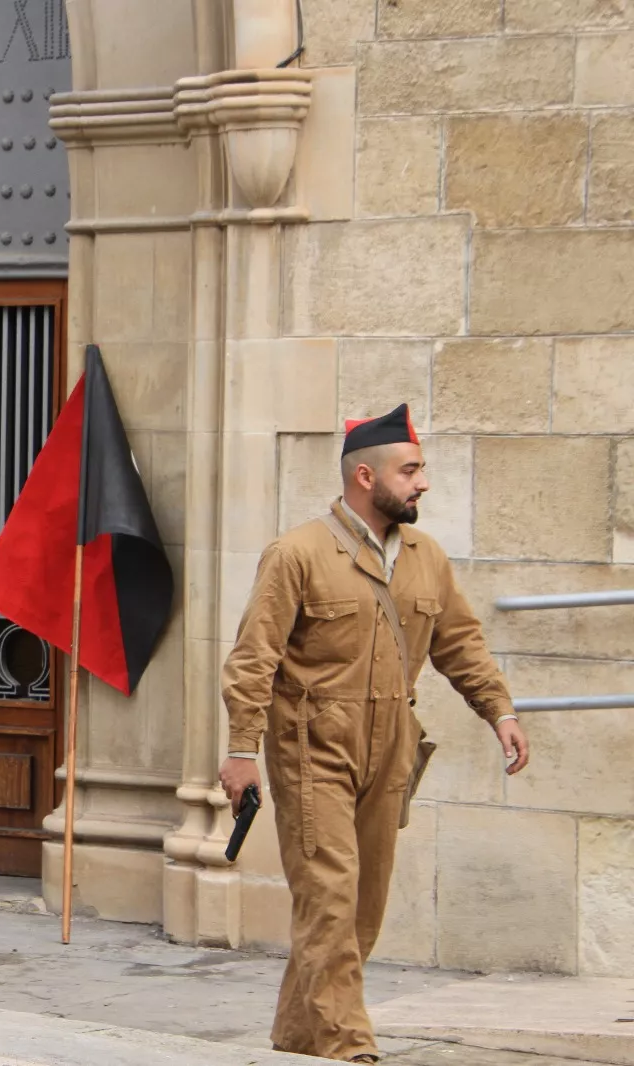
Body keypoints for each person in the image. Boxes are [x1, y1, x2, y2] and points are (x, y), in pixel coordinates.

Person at [219, 404, 531, 1063]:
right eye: (411, 470)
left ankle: (301, 1035)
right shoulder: (298, 554)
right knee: (329, 900)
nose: (423, 484)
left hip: (391, 751)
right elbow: (254, 660)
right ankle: (348, 1047)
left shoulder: (426, 558)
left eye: (422, 471)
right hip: (313, 750)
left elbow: (461, 646)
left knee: (360, 909)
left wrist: (499, 711)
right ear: (366, 475)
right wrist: (242, 750)